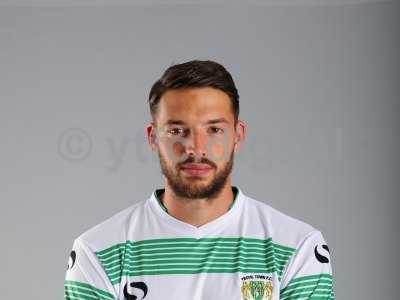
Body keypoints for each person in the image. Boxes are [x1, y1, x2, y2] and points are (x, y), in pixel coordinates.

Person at [64, 59, 334, 300]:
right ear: (153, 137)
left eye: (214, 129)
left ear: (237, 136)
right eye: (177, 130)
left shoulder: (297, 247)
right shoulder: (98, 252)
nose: (195, 147)